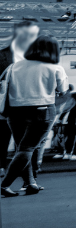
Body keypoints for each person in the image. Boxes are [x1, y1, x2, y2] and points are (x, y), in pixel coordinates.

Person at [1, 35, 65, 197]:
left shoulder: (13, 67)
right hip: (42, 110)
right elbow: (63, 91)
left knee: (21, 148)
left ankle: (30, 183)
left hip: (15, 112)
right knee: (27, 148)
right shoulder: (54, 67)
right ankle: (5, 184)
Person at [0, 20, 40, 177]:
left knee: (29, 143)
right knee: (2, 139)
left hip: (32, 106)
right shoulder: (2, 56)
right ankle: (2, 166)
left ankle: (31, 172)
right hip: (6, 107)